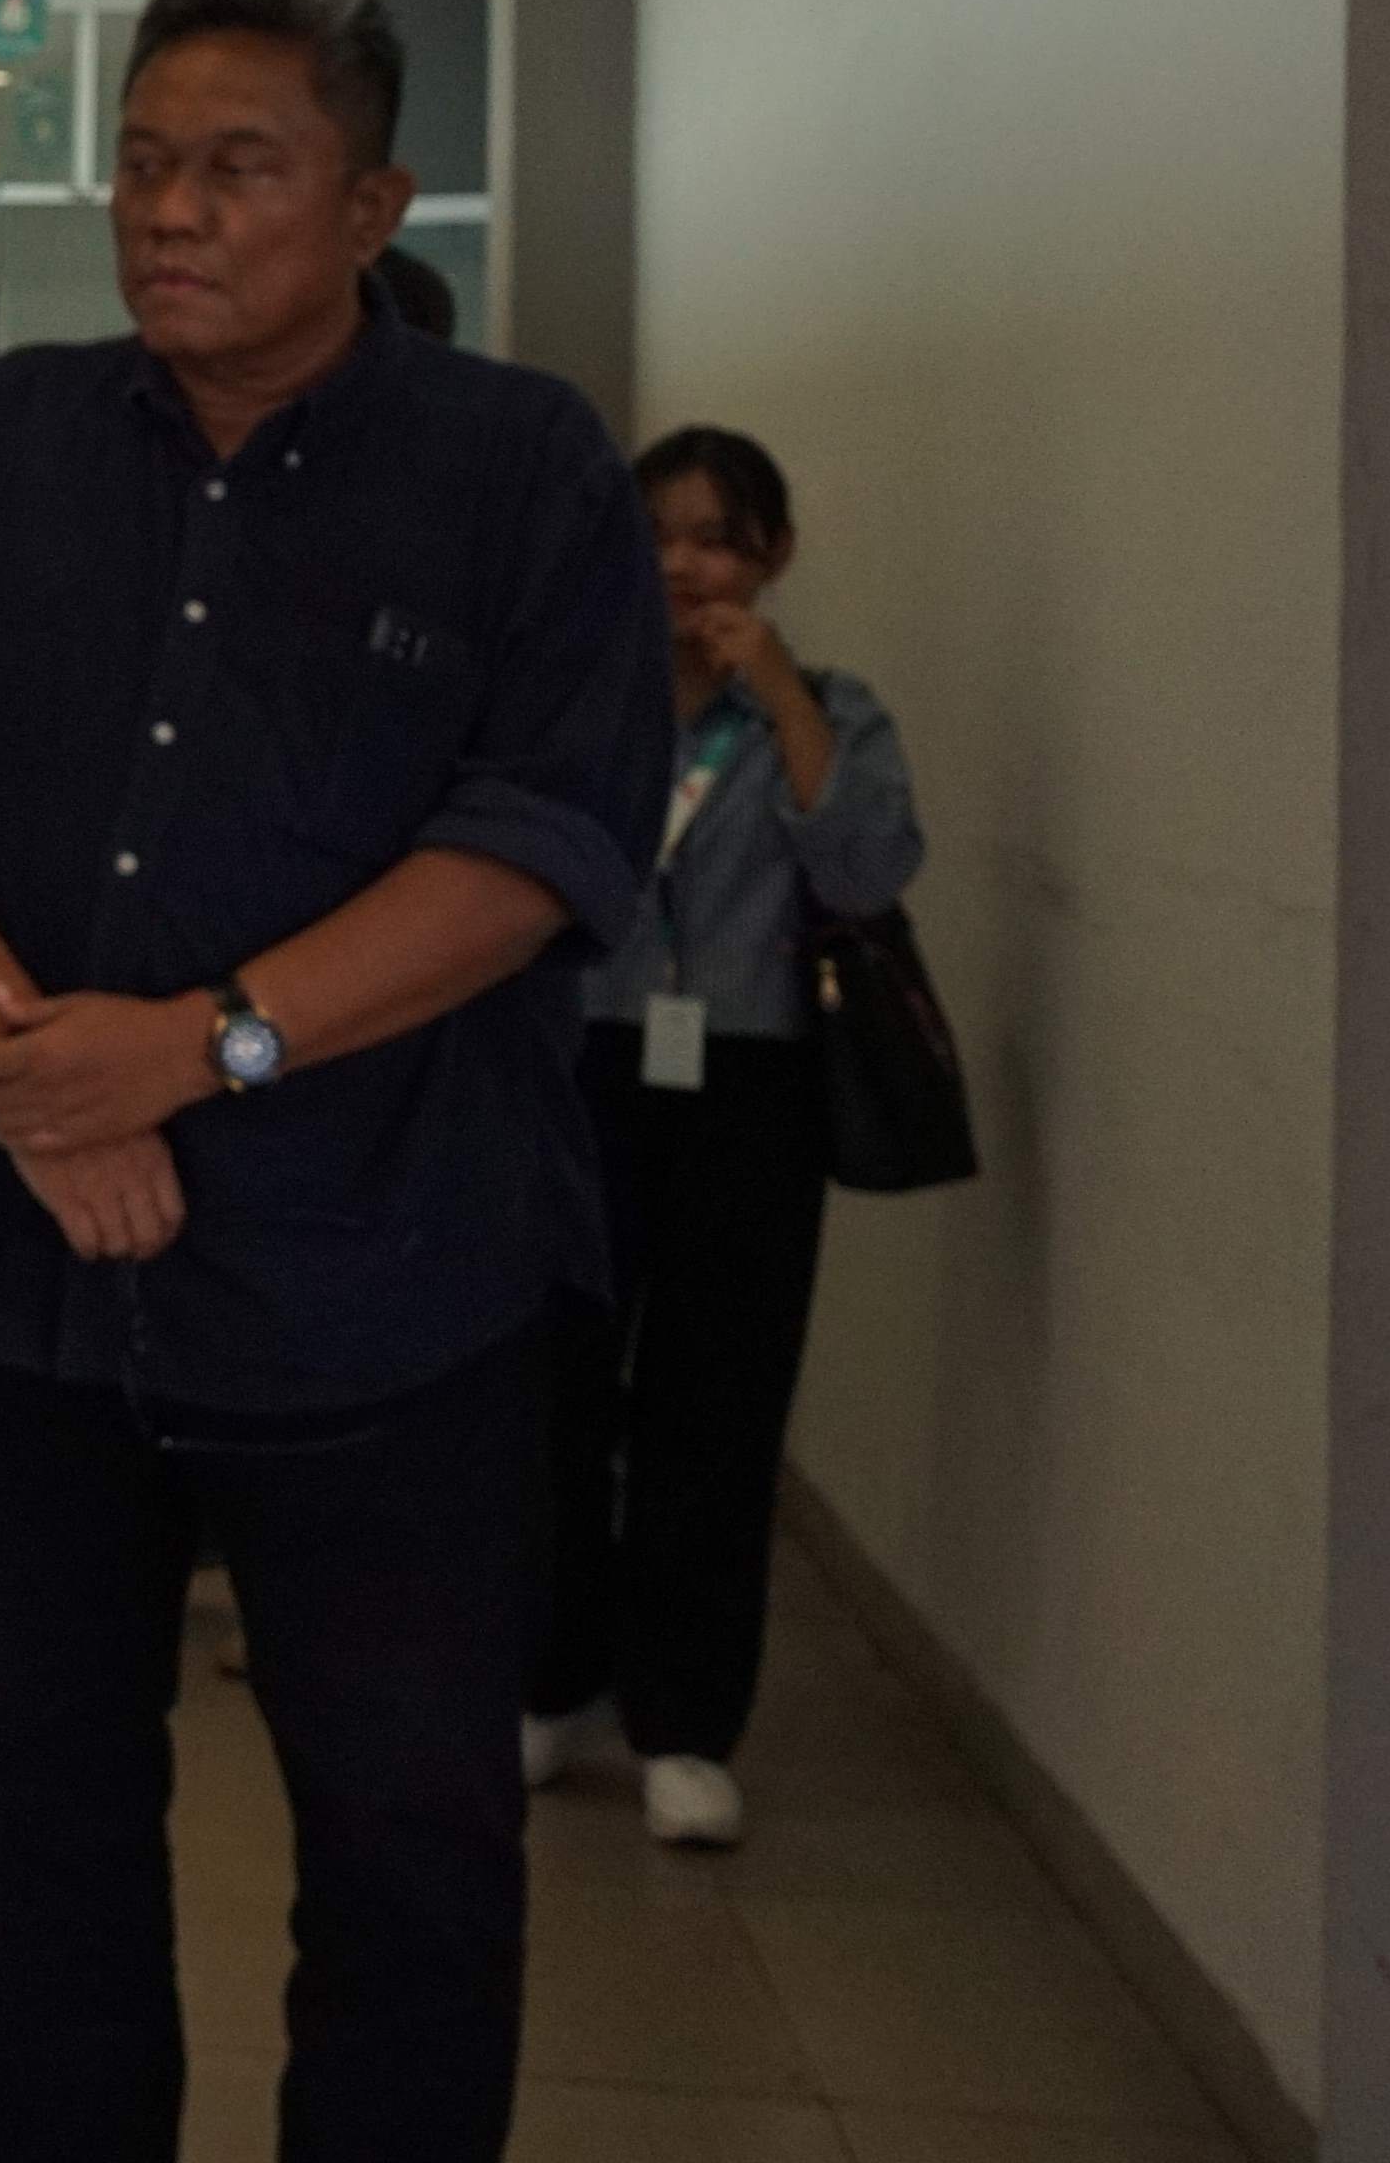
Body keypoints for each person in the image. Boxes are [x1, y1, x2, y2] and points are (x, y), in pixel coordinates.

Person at [0, 0, 668, 2163]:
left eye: (238, 169)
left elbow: (546, 837)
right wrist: (33, 1076)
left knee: (407, 1848)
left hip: (391, 1285)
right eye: (147, 164)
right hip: (33, 1295)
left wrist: (200, 1048)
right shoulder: (6, 442)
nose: (171, 211)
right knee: (28, 1808)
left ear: (371, 207)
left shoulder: (521, 464)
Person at [523, 426, 923, 1850]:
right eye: (662, 534)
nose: (687, 564)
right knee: (559, 1386)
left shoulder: (830, 709)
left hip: (753, 1083)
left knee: (720, 1401)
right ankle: (553, 1677)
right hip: (582, 1065)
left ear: (775, 556)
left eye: (720, 538)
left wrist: (777, 700)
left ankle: (688, 1724)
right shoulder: (582, 696)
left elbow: (868, 868)